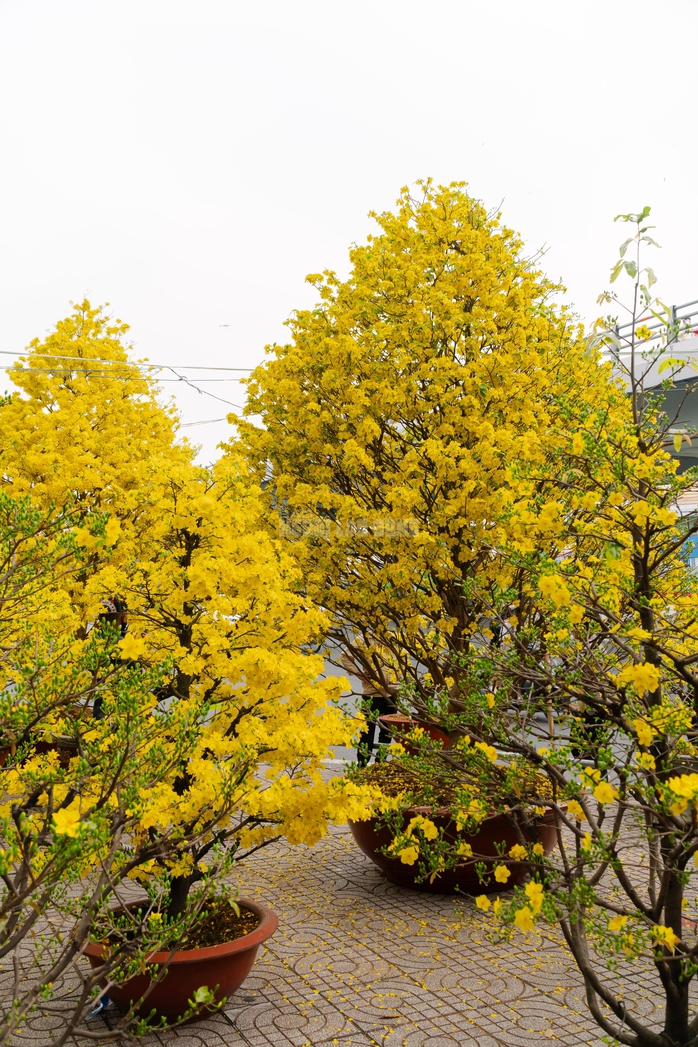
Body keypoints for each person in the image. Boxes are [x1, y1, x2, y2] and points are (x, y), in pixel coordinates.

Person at [341, 654, 398, 767]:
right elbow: (345, 656)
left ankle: (380, 763)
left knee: (387, 732)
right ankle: (362, 765)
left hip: (391, 693)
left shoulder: (393, 637)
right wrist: (358, 673)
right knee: (366, 731)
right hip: (372, 694)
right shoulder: (363, 639)